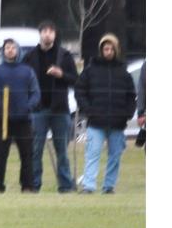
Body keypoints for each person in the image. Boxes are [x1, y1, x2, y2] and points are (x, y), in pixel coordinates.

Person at [21, 20, 79, 193]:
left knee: (62, 150)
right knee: (36, 150)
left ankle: (65, 186)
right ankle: (34, 185)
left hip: (59, 110)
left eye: (51, 31)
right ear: (40, 34)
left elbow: (76, 80)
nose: (47, 34)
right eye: (44, 31)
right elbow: (23, 82)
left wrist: (61, 74)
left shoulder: (65, 56)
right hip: (38, 110)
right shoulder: (29, 56)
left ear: (55, 35)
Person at [75, 33, 136, 193]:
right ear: (101, 50)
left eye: (111, 49)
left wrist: (127, 114)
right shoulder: (90, 70)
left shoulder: (124, 73)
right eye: (105, 48)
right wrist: (88, 110)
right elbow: (80, 91)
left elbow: (131, 95)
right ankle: (88, 186)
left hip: (117, 122)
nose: (108, 51)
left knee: (115, 156)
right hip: (95, 122)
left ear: (116, 50)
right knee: (92, 154)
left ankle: (109, 186)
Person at [0, 38, 41, 193]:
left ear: (17, 50)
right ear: (3, 51)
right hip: (2, 121)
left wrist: (28, 106)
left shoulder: (27, 71)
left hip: (24, 120)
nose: (10, 50)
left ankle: (27, 186)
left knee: (27, 154)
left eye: (12, 47)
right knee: (1, 155)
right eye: (7, 47)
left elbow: (35, 93)